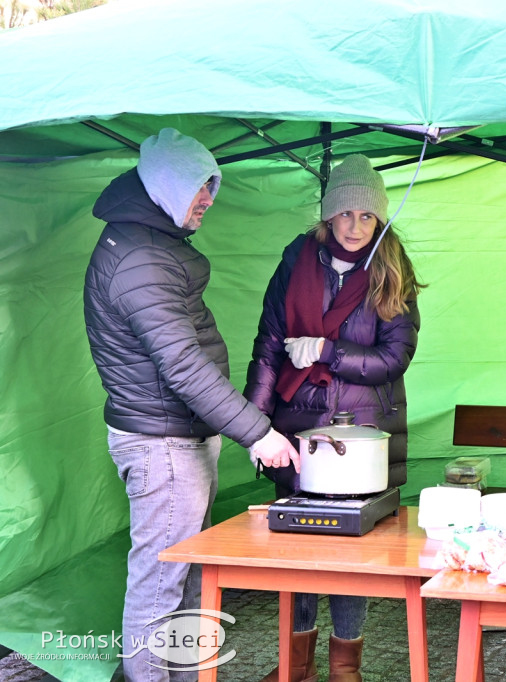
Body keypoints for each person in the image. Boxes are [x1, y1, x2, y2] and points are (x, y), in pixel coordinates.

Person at [84, 127, 299, 682]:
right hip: (164, 446)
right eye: (199, 187)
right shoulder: (141, 259)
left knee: (177, 578)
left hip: (173, 438)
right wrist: (258, 432)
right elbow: (182, 365)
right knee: (160, 586)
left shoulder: (147, 242)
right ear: (165, 186)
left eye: (212, 186)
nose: (208, 198)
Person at [244, 154, 424, 682]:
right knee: (298, 550)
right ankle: (295, 665)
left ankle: (346, 668)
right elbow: (268, 345)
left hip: (364, 435)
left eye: (366, 216)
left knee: (351, 555)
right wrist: (256, 428)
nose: (354, 226)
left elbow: (394, 359)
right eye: (344, 214)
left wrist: (327, 349)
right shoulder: (296, 258)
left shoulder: (392, 268)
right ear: (327, 215)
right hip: (298, 426)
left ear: (380, 219)